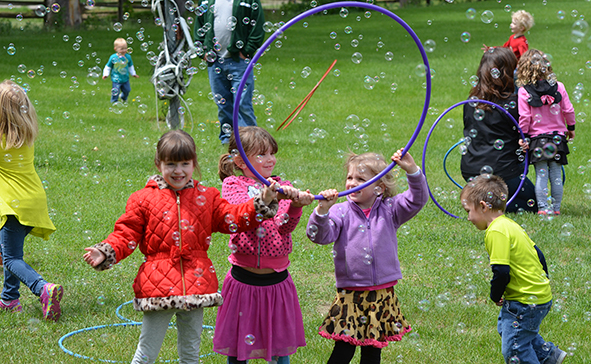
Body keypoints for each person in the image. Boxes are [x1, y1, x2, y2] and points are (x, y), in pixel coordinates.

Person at [83, 130, 280, 364]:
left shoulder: (207, 197)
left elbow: (233, 217)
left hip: (197, 284)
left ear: (194, 163)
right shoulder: (143, 199)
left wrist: (262, 202)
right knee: (147, 351)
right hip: (158, 288)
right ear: (159, 164)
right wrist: (106, 250)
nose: (178, 171)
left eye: (185, 163)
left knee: (190, 352)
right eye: (171, 164)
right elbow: (126, 233)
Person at [307, 149, 429, 364]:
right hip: (351, 292)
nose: (352, 183)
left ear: (379, 188)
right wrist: (322, 211)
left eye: (361, 179)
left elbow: (417, 199)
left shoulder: (391, 210)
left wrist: (412, 170)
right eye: (349, 177)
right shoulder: (340, 211)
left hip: (382, 292)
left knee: (373, 350)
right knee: (344, 349)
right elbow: (319, 236)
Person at [214, 127, 314, 364]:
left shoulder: (283, 185)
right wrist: (269, 196)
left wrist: (296, 205)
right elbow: (240, 217)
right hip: (242, 280)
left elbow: (284, 227)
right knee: (238, 345)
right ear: (240, 160)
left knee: (281, 345)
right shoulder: (233, 185)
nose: (270, 159)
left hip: (277, 280)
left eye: (271, 153)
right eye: (261, 154)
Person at [460, 174, 567, 364]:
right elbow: (538, 254)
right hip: (537, 295)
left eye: (468, 211)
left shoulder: (495, 231)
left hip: (523, 300)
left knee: (515, 347)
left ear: (484, 206)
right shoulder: (509, 224)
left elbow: (501, 271)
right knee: (510, 328)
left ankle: (541, 357)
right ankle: (549, 355)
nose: (468, 218)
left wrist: (495, 295)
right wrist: (542, 281)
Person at [0, 80, 61, 320]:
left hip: (13, 207)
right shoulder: (24, 136)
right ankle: (9, 299)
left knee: (11, 257)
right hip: (32, 201)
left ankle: (42, 288)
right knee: (9, 250)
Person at [461, 47, 537, 213]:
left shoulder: (470, 102)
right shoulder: (515, 103)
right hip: (503, 172)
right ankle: (496, 203)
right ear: (509, 72)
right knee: (534, 203)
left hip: (471, 169)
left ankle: (483, 197)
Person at [194, 0, 265, 144]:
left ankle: (250, 141)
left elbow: (258, 27)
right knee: (223, 103)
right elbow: (199, 27)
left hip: (239, 60)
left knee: (243, 104)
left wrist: (246, 51)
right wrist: (202, 52)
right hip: (215, 60)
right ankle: (228, 139)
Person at [516, 49, 575, 215]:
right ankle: (556, 209)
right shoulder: (559, 86)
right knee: (556, 173)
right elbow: (568, 110)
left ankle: (543, 208)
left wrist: (524, 136)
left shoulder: (523, 91)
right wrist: (571, 128)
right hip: (558, 138)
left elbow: (525, 117)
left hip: (537, 139)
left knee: (541, 175)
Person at [103, 37, 139, 104]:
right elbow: (108, 67)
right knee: (115, 91)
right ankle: (114, 101)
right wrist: (105, 74)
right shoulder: (113, 57)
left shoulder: (128, 57)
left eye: (125, 48)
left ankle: (123, 98)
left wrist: (133, 73)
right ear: (115, 49)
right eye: (121, 49)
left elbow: (130, 66)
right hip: (116, 79)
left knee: (127, 90)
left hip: (125, 78)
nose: (124, 50)